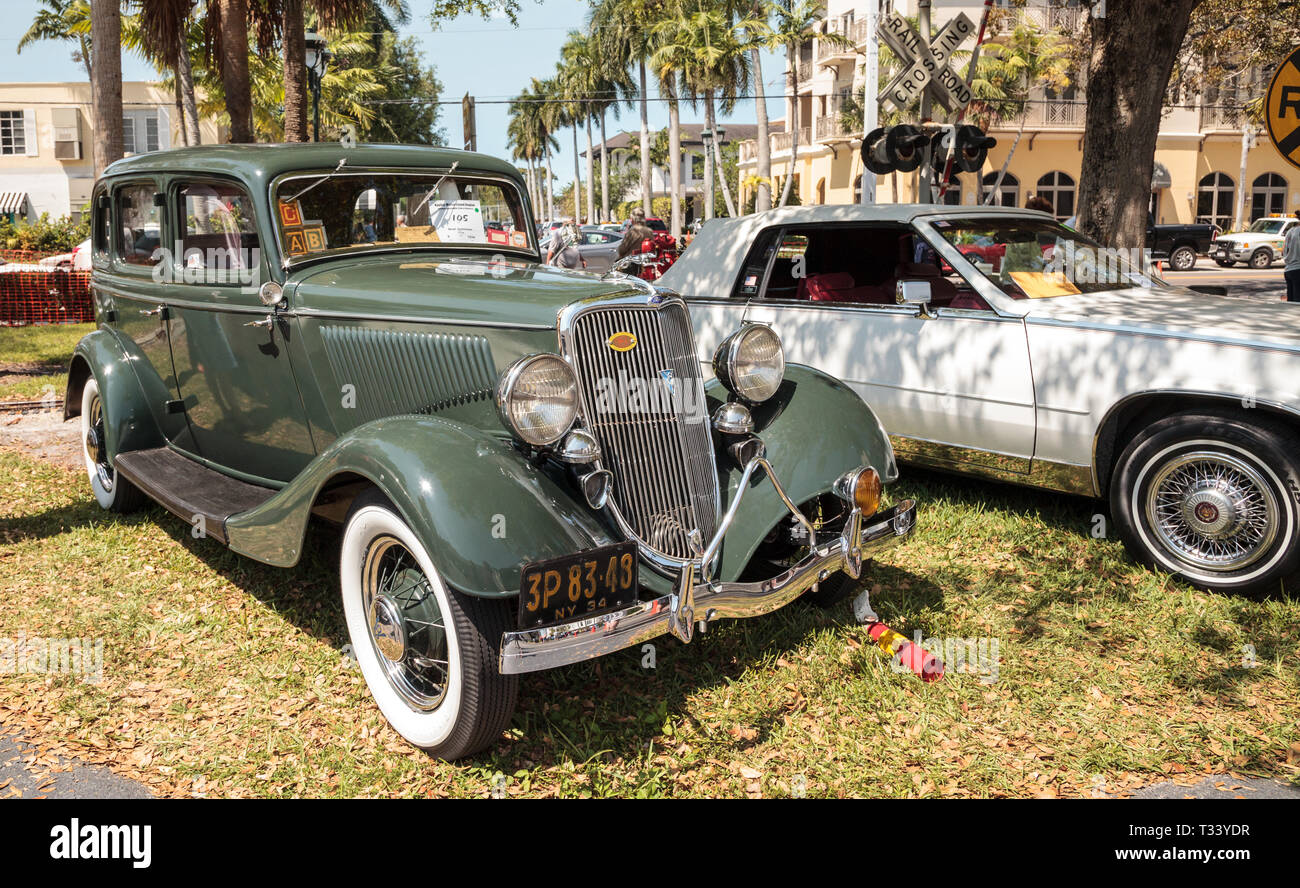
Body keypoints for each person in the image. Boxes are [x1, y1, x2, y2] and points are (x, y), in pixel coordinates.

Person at [1284, 210, 1300, 302]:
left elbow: (1284, 250)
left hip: (1289, 269)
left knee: (1291, 302)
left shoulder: (1290, 231)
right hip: (1298, 269)